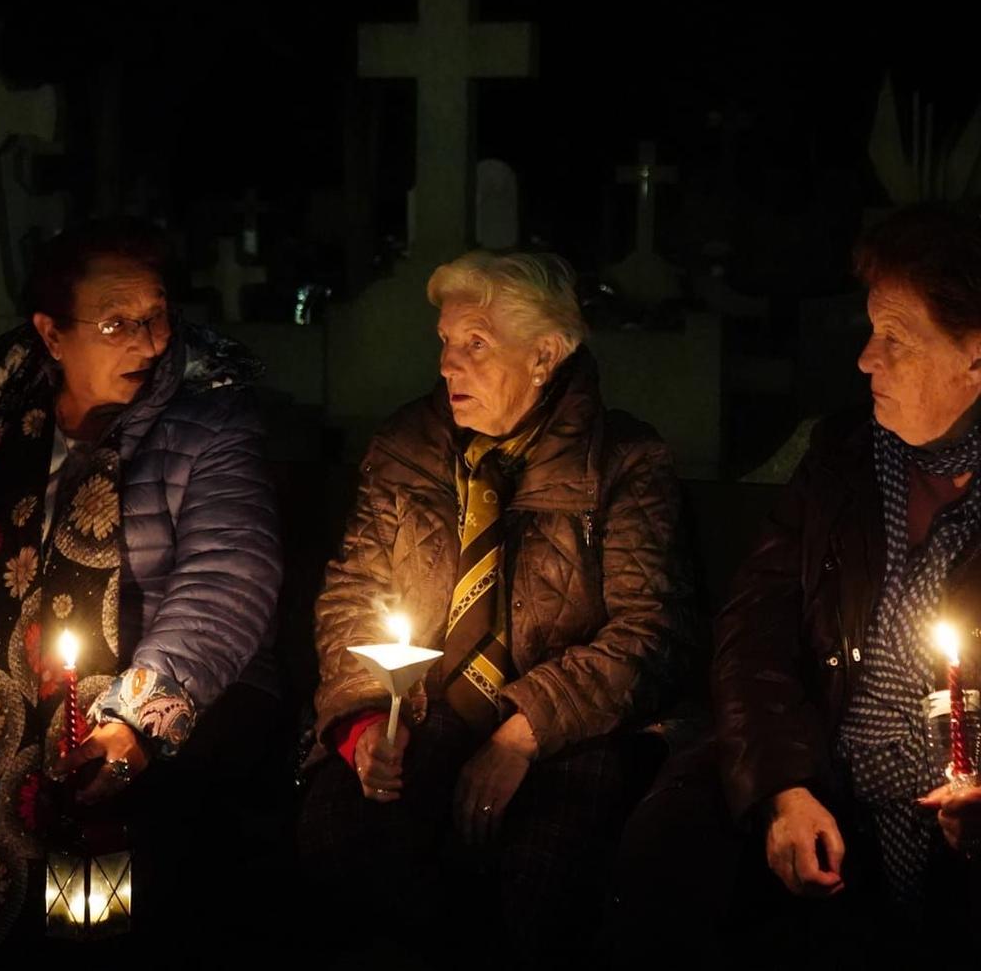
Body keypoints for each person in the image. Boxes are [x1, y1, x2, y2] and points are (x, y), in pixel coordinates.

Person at [612, 204, 981, 965]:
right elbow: (754, 628)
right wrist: (785, 787)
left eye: (896, 338)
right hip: (821, 765)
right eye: (870, 330)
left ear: (980, 361)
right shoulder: (845, 458)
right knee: (670, 848)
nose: (864, 359)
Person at [0, 218, 282, 962]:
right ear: (51, 334)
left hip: (164, 694)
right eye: (115, 323)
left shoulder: (208, 418)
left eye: (156, 316)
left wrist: (138, 718)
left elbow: (228, 577)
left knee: (151, 844)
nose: (149, 342)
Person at [297, 250, 700, 965]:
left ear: (545, 355)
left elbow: (649, 630)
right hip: (422, 711)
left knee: (542, 876)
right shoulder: (407, 447)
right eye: (445, 343)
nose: (449, 366)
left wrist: (523, 732)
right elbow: (353, 596)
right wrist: (363, 726)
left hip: (568, 733)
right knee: (344, 838)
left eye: (475, 345)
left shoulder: (622, 461)